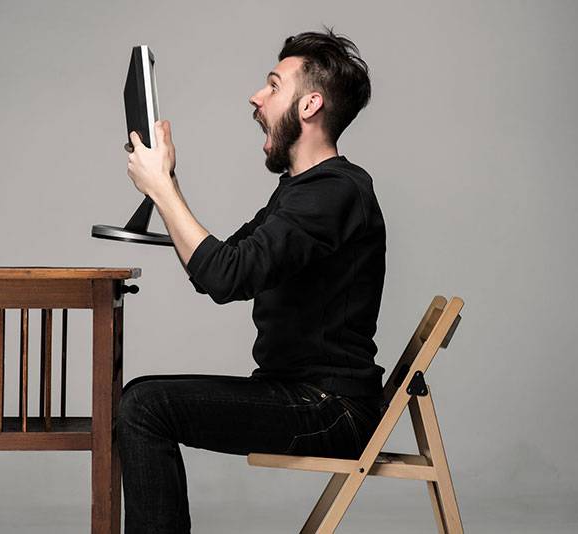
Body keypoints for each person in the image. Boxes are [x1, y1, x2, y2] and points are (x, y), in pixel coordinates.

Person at [117, 26, 386, 533]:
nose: (256, 97)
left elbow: (223, 276)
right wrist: (165, 183)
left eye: (273, 85)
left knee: (144, 406)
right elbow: (219, 266)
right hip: (302, 394)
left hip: (329, 407)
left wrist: (162, 190)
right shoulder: (300, 191)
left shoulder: (333, 193)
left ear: (310, 105)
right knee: (141, 397)